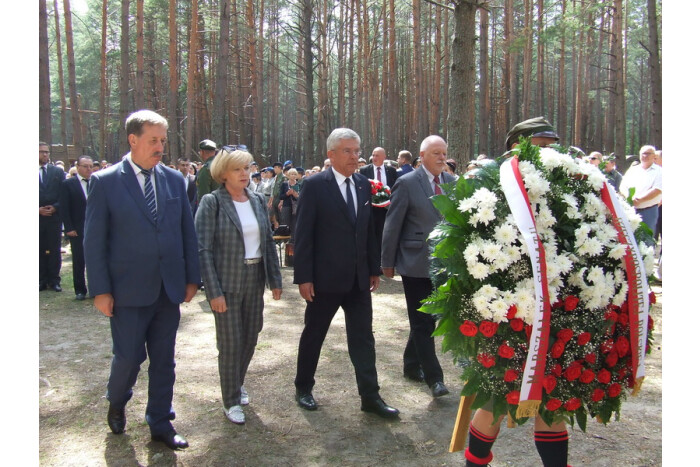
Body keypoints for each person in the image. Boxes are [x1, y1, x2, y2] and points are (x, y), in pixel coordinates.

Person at [84, 110, 200, 450]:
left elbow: (186, 233)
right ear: (133, 140)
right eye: (153, 140)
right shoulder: (105, 182)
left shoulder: (175, 180)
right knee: (129, 358)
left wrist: (192, 278)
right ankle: (117, 400)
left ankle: (161, 423)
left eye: (163, 140)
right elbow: (94, 242)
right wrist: (101, 290)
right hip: (127, 291)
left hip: (168, 288)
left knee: (164, 360)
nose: (160, 147)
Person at [462, 116, 568, 467]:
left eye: (553, 147)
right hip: (509, 311)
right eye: (542, 147)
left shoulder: (566, 188)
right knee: (496, 397)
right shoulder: (492, 186)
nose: (550, 155)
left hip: (556, 307)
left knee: (552, 395)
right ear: (516, 149)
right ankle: (475, 462)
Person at [293, 128, 400, 419]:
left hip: (358, 280)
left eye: (357, 150)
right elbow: (303, 234)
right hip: (323, 280)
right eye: (348, 151)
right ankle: (303, 387)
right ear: (331, 154)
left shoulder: (365, 184)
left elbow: (367, 230)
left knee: (363, 338)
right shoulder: (314, 186)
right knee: (314, 334)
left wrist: (373, 268)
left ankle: (370, 396)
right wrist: (304, 277)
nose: (355, 156)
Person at [194, 148, 282, 425]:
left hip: (255, 278)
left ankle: (237, 382)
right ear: (223, 173)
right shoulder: (212, 203)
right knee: (230, 343)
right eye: (237, 169)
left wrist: (275, 281)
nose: (245, 174)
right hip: (227, 283)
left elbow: (268, 242)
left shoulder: (256, 199)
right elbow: (203, 250)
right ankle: (230, 399)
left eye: (247, 168)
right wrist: (214, 292)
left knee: (251, 335)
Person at [381, 135, 454, 398]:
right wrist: (387, 262)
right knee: (422, 321)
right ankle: (435, 378)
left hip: (444, 264)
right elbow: (392, 224)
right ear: (421, 156)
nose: (441, 158)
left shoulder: (453, 183)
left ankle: (411, 364)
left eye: (444, 153)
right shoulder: (407, 182)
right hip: (415, 263)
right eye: (436, 153)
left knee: (428, 319)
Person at [59, 155, 92, 300]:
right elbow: (64, 208)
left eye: (90, 166)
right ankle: (80, 290)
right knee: (79, 260)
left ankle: (96, 288)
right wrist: (69, 228)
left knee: (95, 260)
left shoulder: (97, 182)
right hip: (77, 229)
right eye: (85, 166)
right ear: (78, 167)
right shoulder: (68, 184)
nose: (88, 169)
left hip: (95, 228)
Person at [360, 147, 398, 258]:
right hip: (370, 208)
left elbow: (395, 187)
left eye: (377, 155)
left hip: (386, 209)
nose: (374, 158)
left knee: (384, 234)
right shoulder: (365, 170)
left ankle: (384, 259)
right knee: (372, 234)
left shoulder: (391, 171)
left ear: (384, 157)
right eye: (373, 155)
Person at [40, 142, 66, 292]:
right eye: (41, 152)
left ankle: (54, 280)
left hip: (53, 218)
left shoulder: (57, 172)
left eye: (47, 152)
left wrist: (55, 207)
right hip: (37, 218)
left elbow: (63, 193)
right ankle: (41, 279)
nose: (45, 154)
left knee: (54, 249)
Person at [620, 145, 662, 237]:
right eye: (643, 153)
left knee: (646, 239)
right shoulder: (633, 170)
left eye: (648, 154)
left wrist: (640, 200)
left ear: (654, 156)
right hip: (630, 209)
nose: (645, 156)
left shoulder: (659, 171)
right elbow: (623, 186)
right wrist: (629, 197)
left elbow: (657, 190)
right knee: (630, 238)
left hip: (648, 210)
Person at [278, 168, 301, 242]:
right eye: (292, 174)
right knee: (286, 223)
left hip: (295, 207)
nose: (293, 176)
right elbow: (281, 196)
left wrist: (295, 195)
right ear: (288, 175)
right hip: (286, 206)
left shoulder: (299, 185)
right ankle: (286, 241)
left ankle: (293, 241)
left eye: (295, 174)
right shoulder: (284, 184)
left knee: (295, 224)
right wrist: (287, 194)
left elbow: (301, 198)